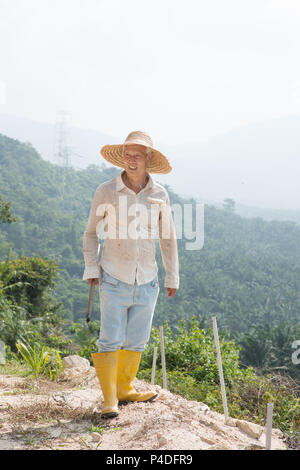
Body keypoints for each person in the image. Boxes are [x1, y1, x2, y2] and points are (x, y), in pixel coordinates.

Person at [82, 130, 179, 418]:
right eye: (128, 155)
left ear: (148, 159)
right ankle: (109, 400)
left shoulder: (160, 194)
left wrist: (172, 275)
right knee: (109, 339)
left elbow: (168, 238)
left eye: (138, 156)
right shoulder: (106, 191)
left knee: (137, 340)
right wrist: (91, 266)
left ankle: (124, 388)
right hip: (112, 276)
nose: (132, 160)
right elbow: (90, 233)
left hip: (147, 280)